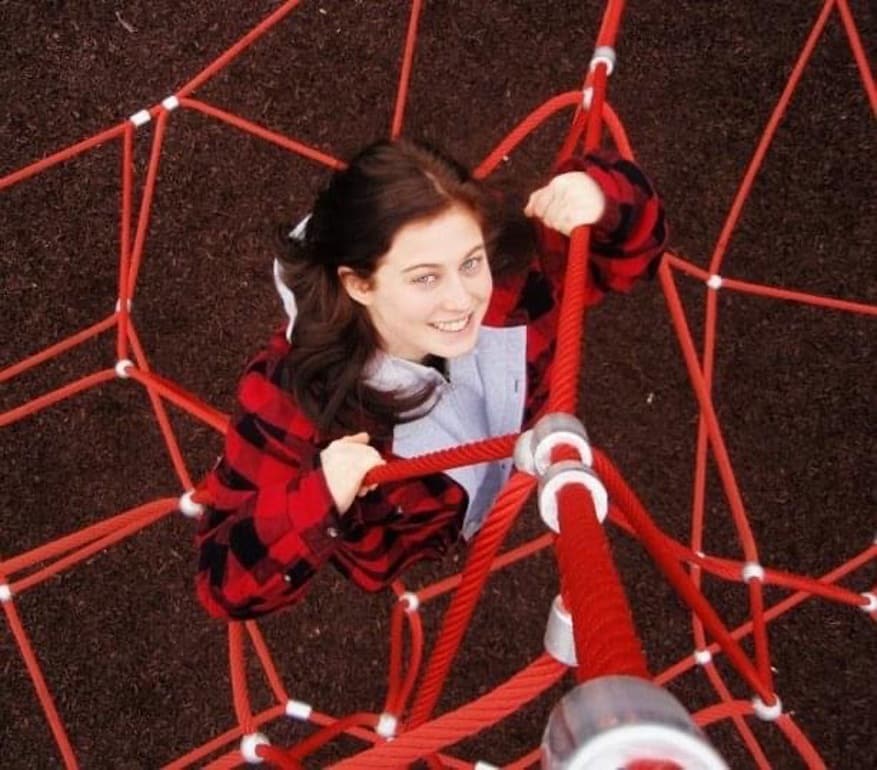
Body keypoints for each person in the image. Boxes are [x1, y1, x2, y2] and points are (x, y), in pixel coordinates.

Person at [195, 138, 666, 620]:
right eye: (425, 278)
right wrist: (323, 492)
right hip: (412, 537)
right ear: (359, 284)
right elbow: (222, 583)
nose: (462, 300)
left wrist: (602, 201)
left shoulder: (511, 268)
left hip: (509, 453)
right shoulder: (293, 394)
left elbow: (635, 246)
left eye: (470, 262)